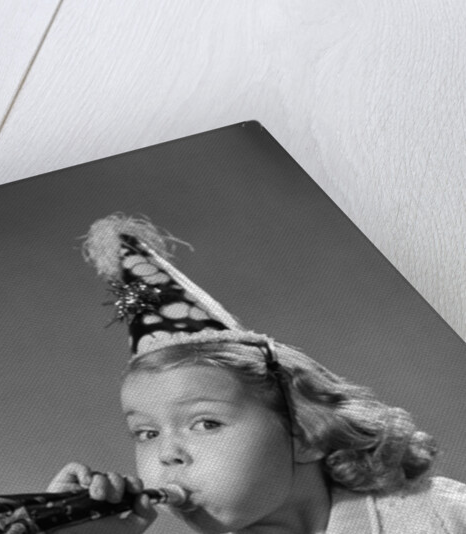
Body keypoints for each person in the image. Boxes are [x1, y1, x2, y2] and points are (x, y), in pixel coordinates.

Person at [47, 214, 466, 533]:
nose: (167, 455)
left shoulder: (439, 514)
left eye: (205, 423)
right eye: (146, 433)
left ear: (304, 432)